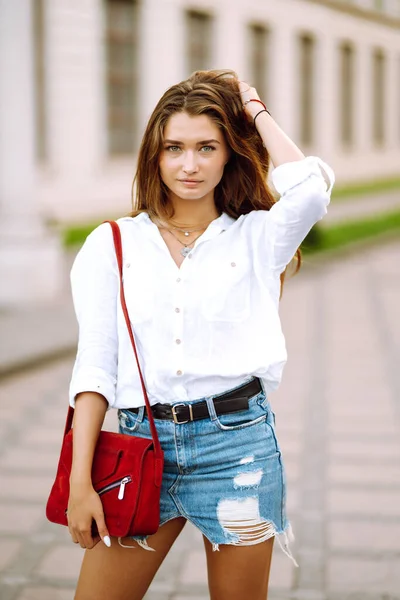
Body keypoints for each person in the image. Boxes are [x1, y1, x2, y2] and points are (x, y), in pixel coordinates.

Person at [67, 69, 334, 600]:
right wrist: (79, 481)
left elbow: (311, 191)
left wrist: (254, 110)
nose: (189, 164)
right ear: (155, 155)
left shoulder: (258, 236)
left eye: (207, 147)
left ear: (230, 153)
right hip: (140, 448)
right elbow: (95, 368)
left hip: (239, 451)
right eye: (175, 148)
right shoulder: (112, 245)